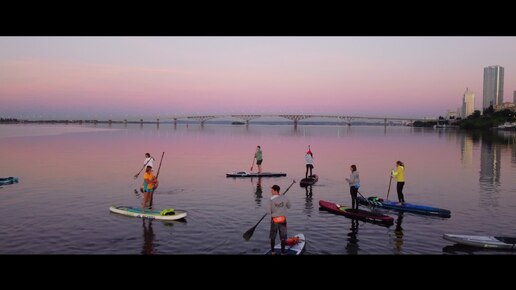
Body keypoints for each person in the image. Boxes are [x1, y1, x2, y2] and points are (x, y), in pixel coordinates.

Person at [269, 184, 291, 255]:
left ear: (276, 191)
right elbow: (289, 206)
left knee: (273, 236)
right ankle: (282, 253)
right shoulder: (284, 197)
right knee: (283, 237)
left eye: (272, 190)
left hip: (274, 220)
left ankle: (272, 252)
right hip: (282, 220)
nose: (271, 191)